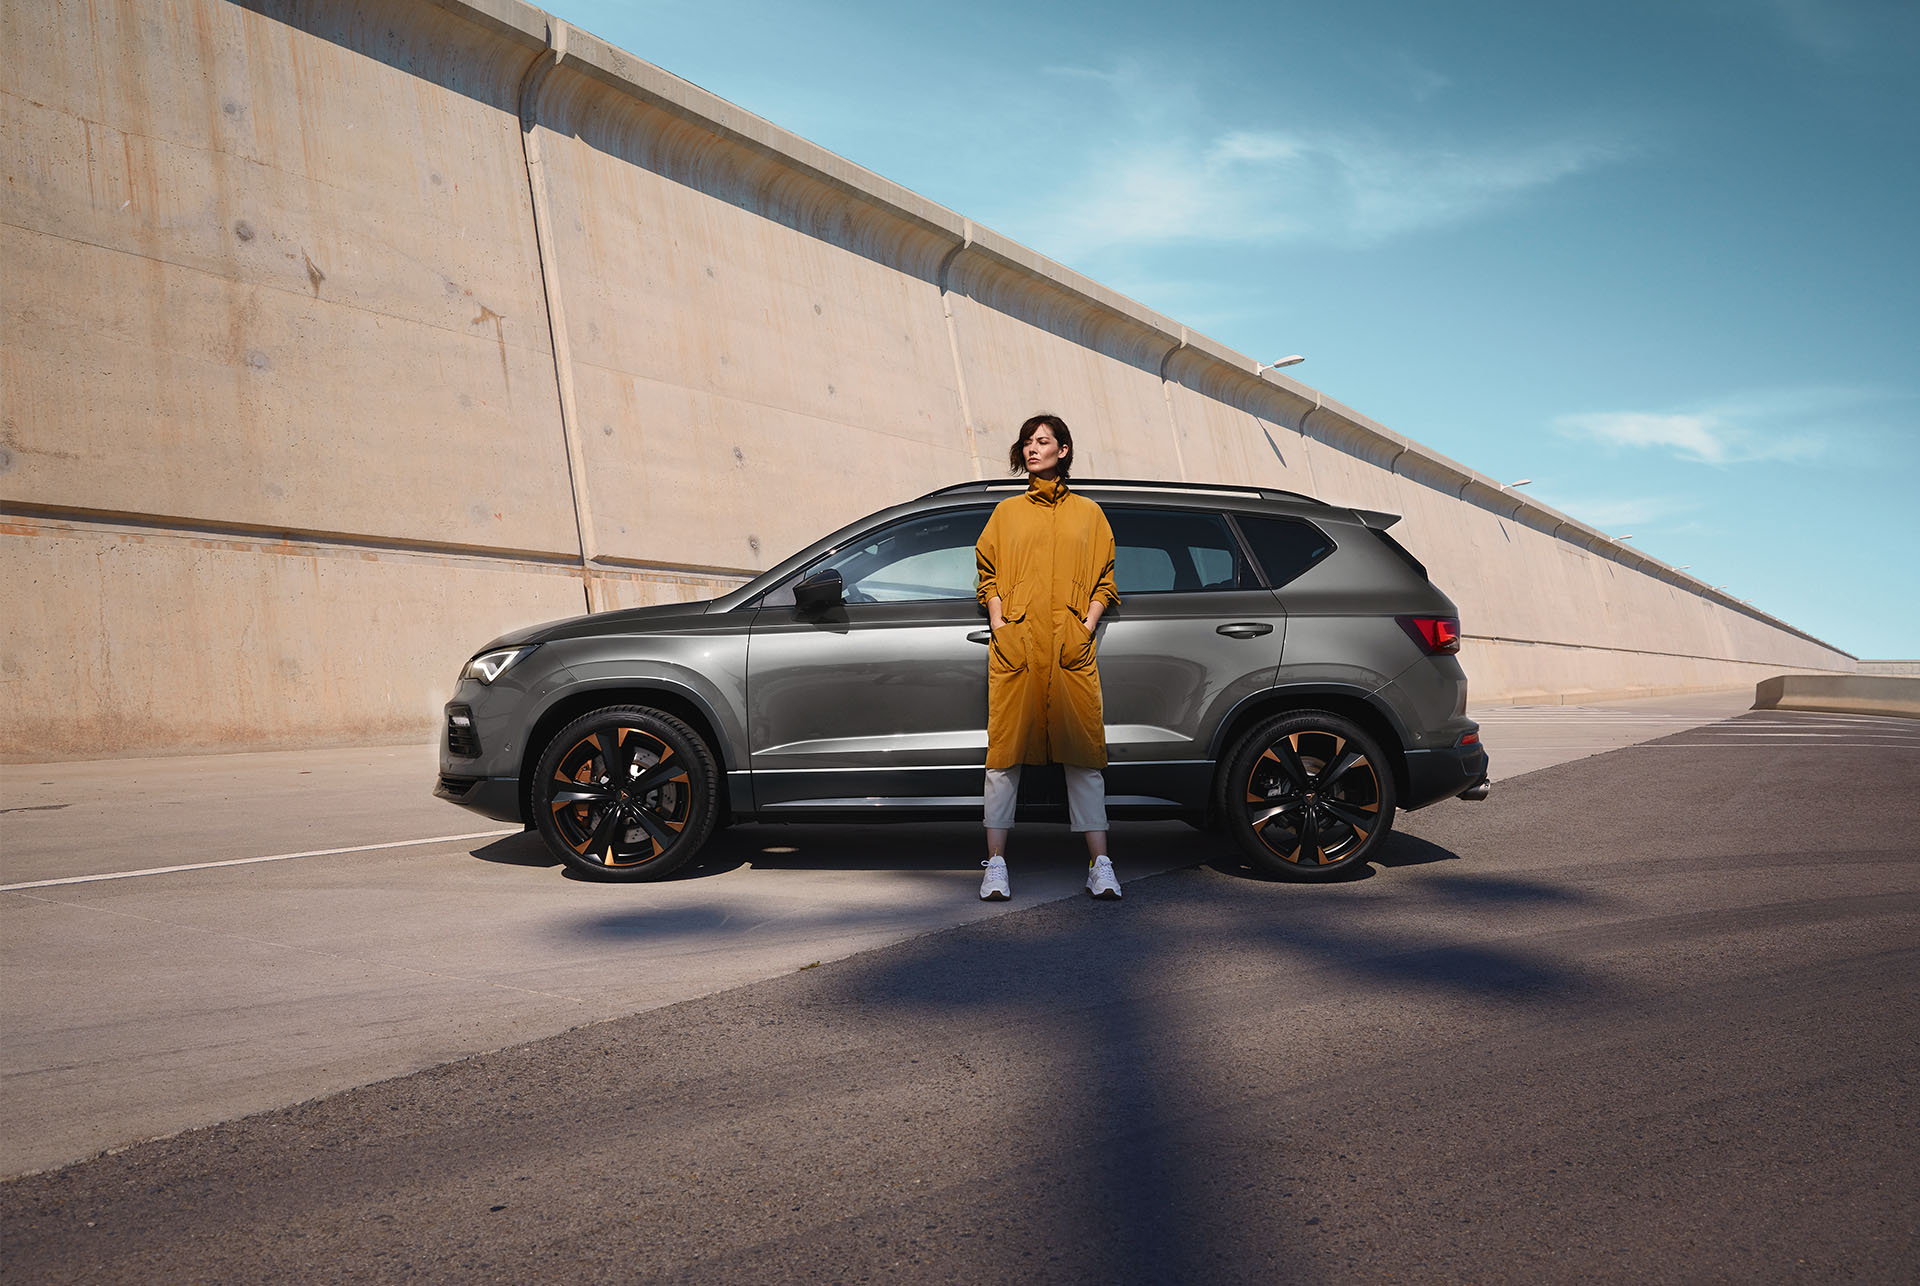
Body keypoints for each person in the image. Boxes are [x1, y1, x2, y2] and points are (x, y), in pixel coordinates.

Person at [973, 413, 1123, 901]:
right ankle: (995, 864)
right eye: (1027, 443)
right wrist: (999, 622)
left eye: (1043, 441)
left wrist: (1087, 625)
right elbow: (988, 572)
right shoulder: (1006, 514)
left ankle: (1100, 863)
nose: (1032, 449)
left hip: (1069, 649)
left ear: (1063, 449)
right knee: (1004, 755)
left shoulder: (1089, 515)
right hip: (1017, 647)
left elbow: (1105, 578)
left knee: (1083, 757)